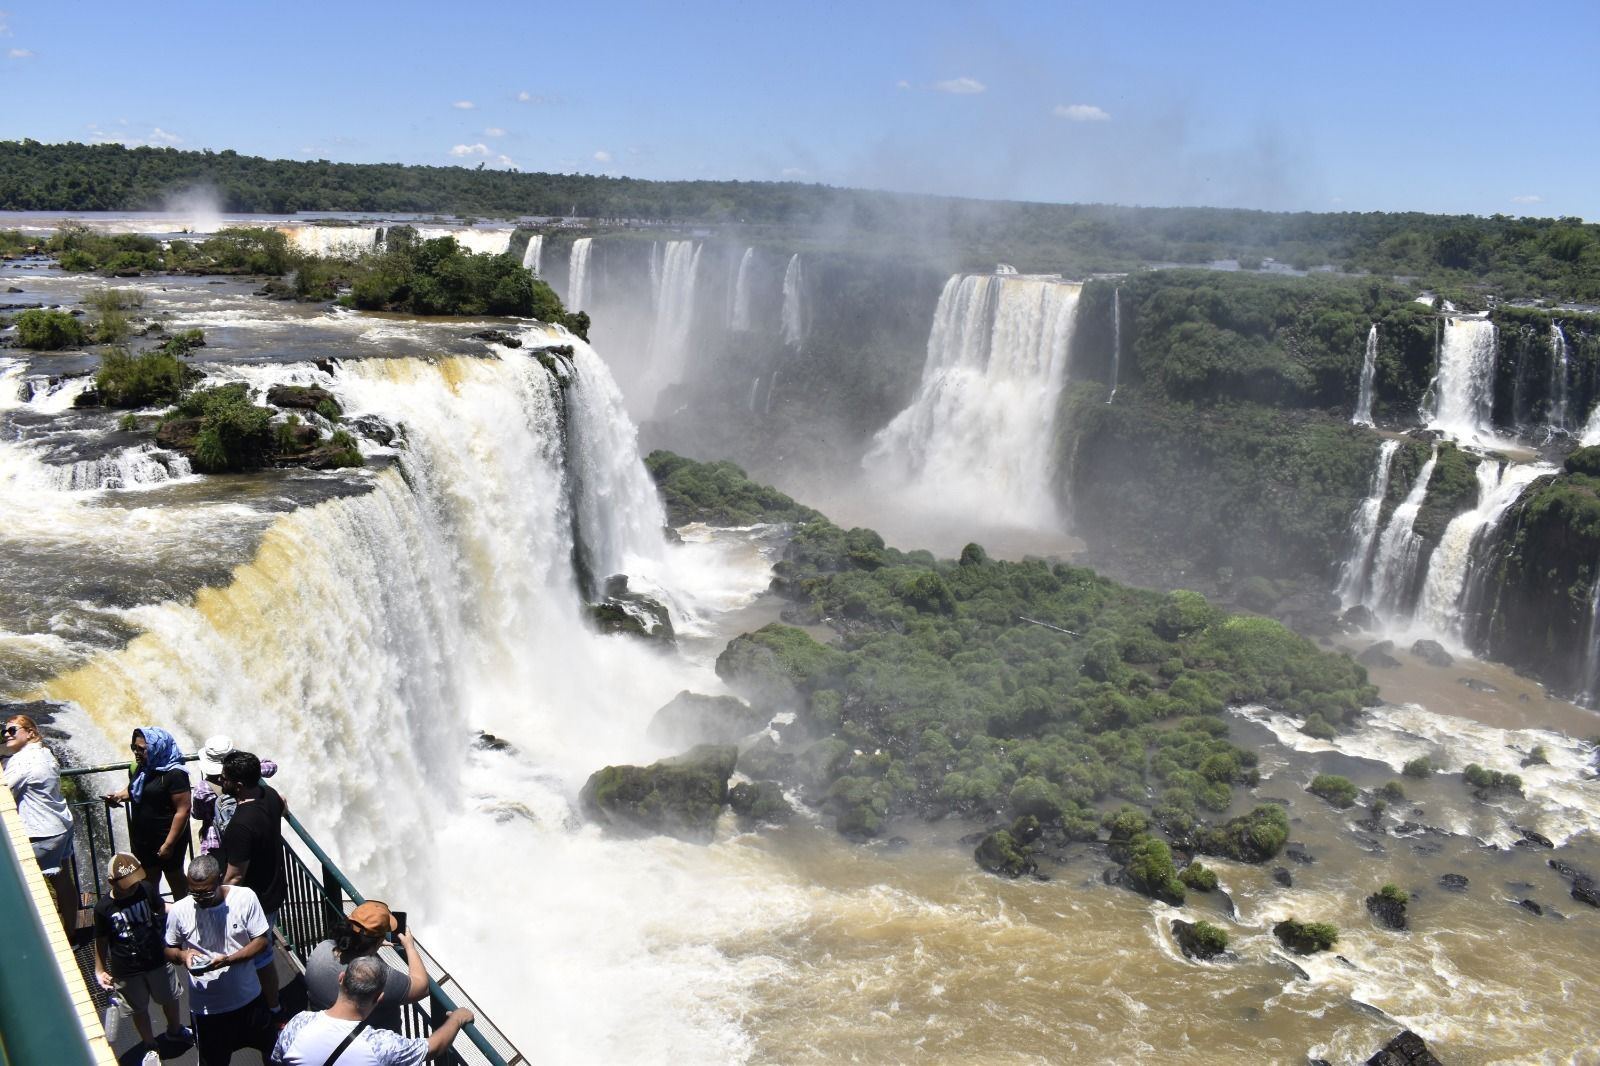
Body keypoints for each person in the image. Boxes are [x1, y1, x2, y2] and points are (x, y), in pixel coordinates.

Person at [164, 853, 274, 1066]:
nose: (201, 900)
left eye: (206, 893)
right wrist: (183, 955)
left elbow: (261, 941)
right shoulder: (179, 910)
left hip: (249, 1000)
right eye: (194, 894)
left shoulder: (245, 898)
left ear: (220, 879)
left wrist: (229, 960)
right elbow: (169, 949)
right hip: (207, 1011)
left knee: (273, 1054)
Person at [271, 954, 475, 1065]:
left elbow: (277, 1060)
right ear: (379, 998)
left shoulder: (300, 1023)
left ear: (341, 980)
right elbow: (434, 1047)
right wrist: (456, 1019)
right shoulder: (381, 1046)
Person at [92, 852, 194, 1063]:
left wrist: (186, 908)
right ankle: (150, 1045)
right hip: (127, 968)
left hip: (157, 957)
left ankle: (174, 1030)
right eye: (127, 884)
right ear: (112, 882)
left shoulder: (145, 889)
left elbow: (161, 907)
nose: (132, 886)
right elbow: (101, 940)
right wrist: (100, 969)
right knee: (139, 1008)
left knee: (170, 996)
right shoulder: (103, 909)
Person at [219, 749, 288, 1016]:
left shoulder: (241, 824)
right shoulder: (268, 795)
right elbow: (283, 806)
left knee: (260, 955)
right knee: (262, 950)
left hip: (256, 898)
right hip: (275, 886)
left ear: (237, 785)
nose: (220, 780)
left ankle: (271, 1007)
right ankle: (269, 1004)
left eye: (224, 778)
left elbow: (235, 875)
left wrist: (214, 903)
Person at [2, 713, 77, 935]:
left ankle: (45, 938)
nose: (7, 734)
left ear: (30, 733)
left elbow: (4, 792)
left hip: (39, 834)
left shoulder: (21, 761)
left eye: (13, 730)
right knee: (62, 881)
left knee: (27, 889)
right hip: (61, 826)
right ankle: (70, 932)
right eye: (5, 731)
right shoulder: (45, 753)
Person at [303, 901, 428, 1033]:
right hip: (368, 1045)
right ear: (378, 941)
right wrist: (410, 947)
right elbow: (422, 987)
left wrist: (372, 945)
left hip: (321, 1030)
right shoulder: (376, 976)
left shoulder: (321, 949)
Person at [108, 726, 191, 900]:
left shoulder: (175, 774)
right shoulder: (143, 768)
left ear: (156, 748)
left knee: (175, 877)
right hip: (144, 838)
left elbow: (183, 810)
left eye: (141, 749)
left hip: (168, 837)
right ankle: (155, 915)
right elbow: (135, 790)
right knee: (148, 880)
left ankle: (185, 917)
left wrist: (169, 844)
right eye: (134, 747)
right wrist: (118, 796)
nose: (136, 752)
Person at [191, 735, 278, 856]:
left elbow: (198, 814)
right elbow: (272, 767)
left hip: (218, 839)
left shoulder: (202, 789)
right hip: (251, 829)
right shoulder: (246, 772)